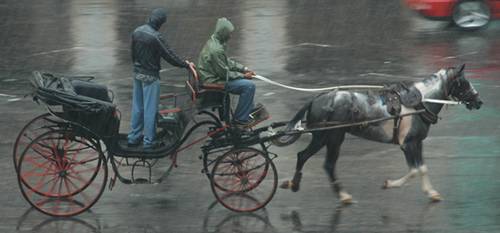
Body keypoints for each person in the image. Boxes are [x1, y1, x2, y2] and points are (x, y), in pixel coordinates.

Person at [128, 8, 193, 149]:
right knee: (150, 109)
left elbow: (132, 53)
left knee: (137, 107)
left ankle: (133, 137)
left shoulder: (137, 31)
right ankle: (149, 141)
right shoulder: (156, 37)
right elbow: (169, 55)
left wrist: (137, 66)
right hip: (151, 76)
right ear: (160, 23)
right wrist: (185, 64)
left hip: (137, 73)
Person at [197, 17, 261, 128]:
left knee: (245, 83)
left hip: (212, 76)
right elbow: (224, 74)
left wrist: (243, 69)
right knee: (249, 86)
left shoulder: (215, 41)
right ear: (223, 33)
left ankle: (247, 110)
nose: (230, 36)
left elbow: (226, 62)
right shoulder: (216, 50)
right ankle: (240, 119)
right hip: (214, 81)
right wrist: (243, 76)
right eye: (229, 34)